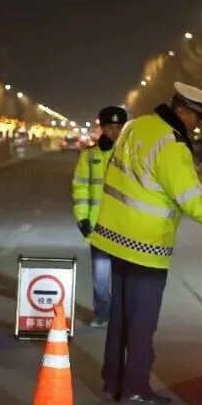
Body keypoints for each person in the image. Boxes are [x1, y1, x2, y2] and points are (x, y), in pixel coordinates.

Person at [91, 82, 202, 405]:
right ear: (182, 111)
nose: (197, 125)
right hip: (144, 245)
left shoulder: (135, 126)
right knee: (142, 322)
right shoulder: (172, 145)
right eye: (196, 118)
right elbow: (196, 205)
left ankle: (112, 381)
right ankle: (136, 386)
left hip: (114, 238)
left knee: (120, 316)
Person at [72, 106, 128, 328]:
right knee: (101, 278)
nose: (114, 132)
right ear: (102, 128)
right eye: (110, 127)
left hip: (126, 227)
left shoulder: (130, 156)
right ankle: (103, 314)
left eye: (118, 127)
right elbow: (80, 188)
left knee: (123, 278)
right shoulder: (89, 155)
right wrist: (82, 219)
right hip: (98, 227)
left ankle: (121, 316)